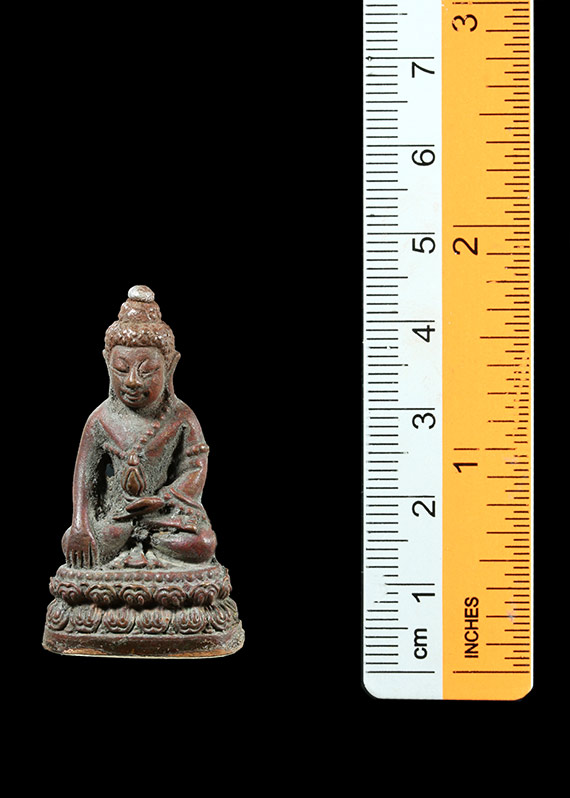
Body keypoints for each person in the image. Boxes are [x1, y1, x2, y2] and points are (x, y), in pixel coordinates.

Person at [62, 285, 217, 569]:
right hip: (117, 515)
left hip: (163, 515)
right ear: (107, 363)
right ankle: (140, 552)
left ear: (170, 366)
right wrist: (81, 526)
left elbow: (195, 467)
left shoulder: (181, 417)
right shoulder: (100, 419)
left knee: (202, 544)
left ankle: (145, 550)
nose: (132, 381)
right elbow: (84, 480)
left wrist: (162, 500)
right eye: (122, 369)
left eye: (147, 371)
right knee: (76, 541)